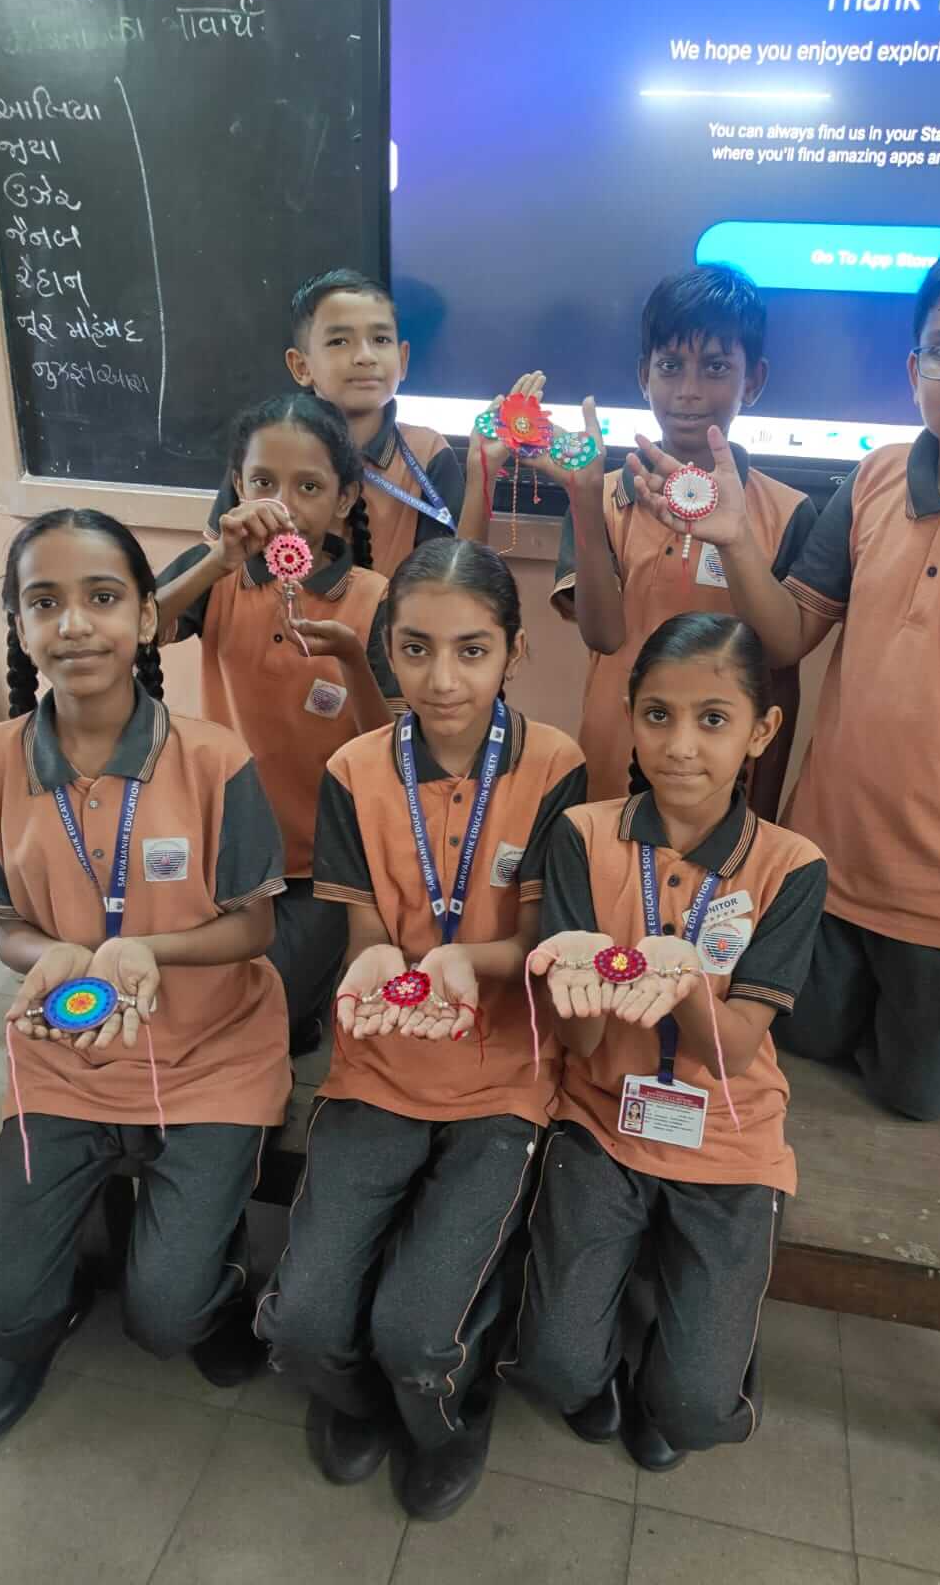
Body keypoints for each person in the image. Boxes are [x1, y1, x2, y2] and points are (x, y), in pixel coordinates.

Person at [630, 236, 940, 1121]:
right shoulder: (874, 481)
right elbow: (786, 639)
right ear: (913, 369)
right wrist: (737, 540)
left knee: (918, 1100)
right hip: (821, 867)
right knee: (800, 1049)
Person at [0, 509, 290, 1446]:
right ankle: (43, 1306)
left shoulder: (214, 757)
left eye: (101, 597)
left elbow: (255, 924)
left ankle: (209, 1286)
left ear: (145, 618)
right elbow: (8, 930)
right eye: (43, 602)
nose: (73, 624)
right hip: (67, 1055)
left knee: (169, 1316)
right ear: (19, 625)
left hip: (210, 1054)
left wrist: (149, 952)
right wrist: (52, 955)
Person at [254, 538, 586, 1521]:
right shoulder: (354, 769)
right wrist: (374, 966)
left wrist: (465, 961)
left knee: (416, 1332)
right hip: (381, 1059)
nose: (442, 679)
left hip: (504, 1069)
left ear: (514, 651)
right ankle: (357, 1398)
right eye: (415, 648)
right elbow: (367, 934)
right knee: (302, 1323)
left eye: (472, 650)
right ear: (386, 650)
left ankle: (444, 1416)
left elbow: (543, 939)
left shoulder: (556, 764)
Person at [502, 613, 826, 1470]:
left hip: (726, 1133)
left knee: (692, 1409)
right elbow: (578, 1039)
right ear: (630, 718)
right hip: (602, 1120)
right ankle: (606, 1359)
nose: (681, 746)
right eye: (658, 715)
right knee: (556, 1368)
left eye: (713, 719)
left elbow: (738, 1052)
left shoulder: (792, 866)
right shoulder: (581, 836)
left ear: (762, 730)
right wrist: (573, 982)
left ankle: (686, 1376)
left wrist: (686, 984)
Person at [155, 394, 399, 1055]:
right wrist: (218, 560)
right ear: (238, 487)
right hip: (222, 849)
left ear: (346, 497)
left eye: (309, 487)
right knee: (190, 1009)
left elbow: (392, 747)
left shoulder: (374, 599)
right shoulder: (218, 576)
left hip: (323, 861)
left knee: (266, 1022)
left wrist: (352, 660)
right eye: (264, 482)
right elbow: (136, 631)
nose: (282, 506)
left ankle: (302, 1007)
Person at [547, 266, 818, 815]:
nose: (689, 391)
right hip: (609, 778)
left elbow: (780, 668)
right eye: (670, 366)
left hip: (724, 792)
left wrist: (763, 811)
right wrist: (584, 500)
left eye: (716, 367)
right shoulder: (600, 494)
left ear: (754, 380)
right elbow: (602, 636)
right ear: (644, 375)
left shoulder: (788, 512)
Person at [204, 269, 473, 578]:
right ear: (301, 366)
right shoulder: (263, 447)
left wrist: (482, 474)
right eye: (339, 341)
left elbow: (451, 579)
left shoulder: (428, 453)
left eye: (381, 339)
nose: (365, 356)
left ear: (403, 360)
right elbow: (216, 568)